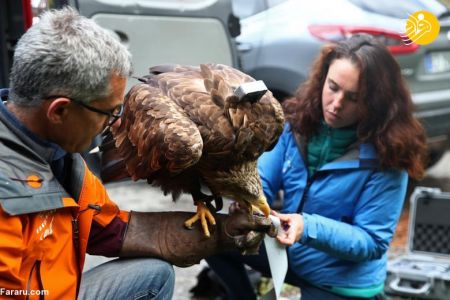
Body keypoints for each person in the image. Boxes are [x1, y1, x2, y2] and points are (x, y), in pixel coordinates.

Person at [0, 7, 273, 300]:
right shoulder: (8, 194)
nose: (116, 122)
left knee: (152, 275)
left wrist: (224, 233)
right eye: (110, 111)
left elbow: (111, 230)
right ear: (60, 110)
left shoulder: (55, 154)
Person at [206, 34, 428, 299]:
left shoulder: (390, 156)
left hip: (339, 278)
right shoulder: (297, 122)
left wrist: (307, 227)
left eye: (353, 97)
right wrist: (249, 199)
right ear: (323, 78)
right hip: (289, 248)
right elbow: (262, 178)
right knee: (210, 236)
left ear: (376, 102)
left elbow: (372, 242)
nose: (336, 104)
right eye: (333, 87)